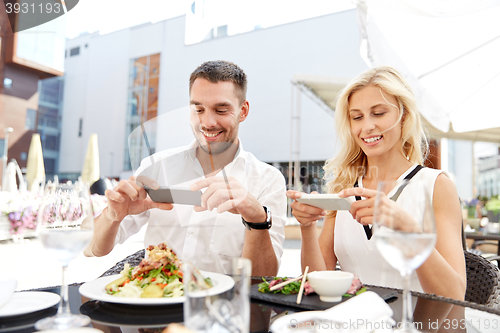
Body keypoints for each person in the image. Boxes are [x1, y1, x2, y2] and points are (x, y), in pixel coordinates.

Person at [85, 60, 286, 276]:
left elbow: (264, 278)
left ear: (243, 111)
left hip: (222, 306)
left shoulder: (267, 179)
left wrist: (256, 218)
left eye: (221, 110)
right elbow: (92, 249)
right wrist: (112, 215)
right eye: (198, 109)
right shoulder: (155, 167)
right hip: (157, 302)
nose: (208, 122)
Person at [286, 66, 466, 300]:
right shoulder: (343, 187)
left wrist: (407, 229)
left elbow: (454, 294)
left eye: (379, 113)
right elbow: (317, 282)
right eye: (357, 117)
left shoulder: (436, 185)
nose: (367, 126)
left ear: (404, 116)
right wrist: (307, 227)